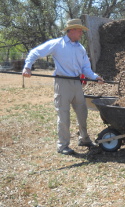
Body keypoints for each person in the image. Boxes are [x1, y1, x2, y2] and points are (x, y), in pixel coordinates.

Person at [22, 19, 104, 155]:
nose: (81, 34)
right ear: (71, 30)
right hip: (62, 84)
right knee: (63, 115)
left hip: (77, 84)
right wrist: (27, 67)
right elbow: (35, 52)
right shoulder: (57, 44)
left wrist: (95, 77)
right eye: (79, 31)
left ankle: (84, 139)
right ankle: (63, 146)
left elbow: (85, 68)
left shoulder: (80, 49)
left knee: (83, 113)